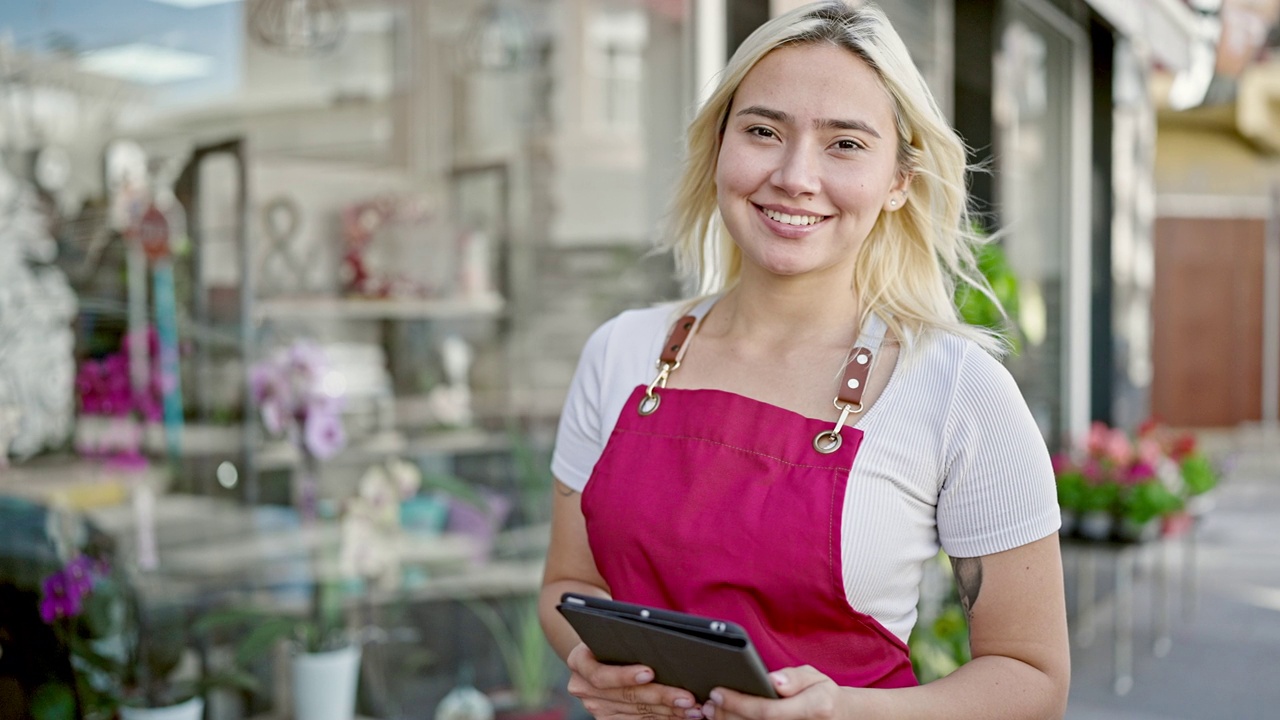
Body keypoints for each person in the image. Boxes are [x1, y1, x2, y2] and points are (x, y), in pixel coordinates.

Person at [538, 1, 1071, 718]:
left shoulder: (957, 393)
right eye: (763, 131)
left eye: (845, 144)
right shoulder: (620, 352)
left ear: (898, 182)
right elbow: (568, 586)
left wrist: (840, 712)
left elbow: (1033, 678)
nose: (794, 176)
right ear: (719, 145)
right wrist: (591, 661)